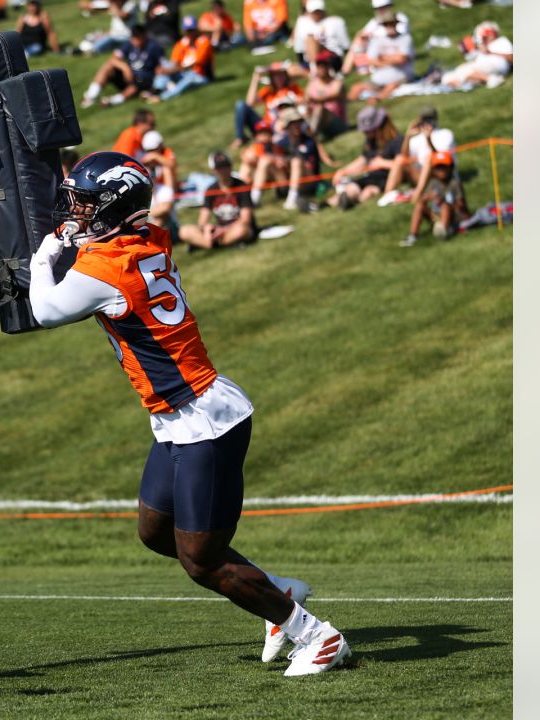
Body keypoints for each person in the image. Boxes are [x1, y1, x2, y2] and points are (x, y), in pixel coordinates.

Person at [29, 151, 350, 675]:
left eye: (87, 204)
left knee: (200, 559)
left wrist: (44, 255)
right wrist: (78, 236)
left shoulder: (105, 268)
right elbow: (104, 253)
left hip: (204, 417)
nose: (78, 213)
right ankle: (278, 592)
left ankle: (316, 636)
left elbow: (44, 309)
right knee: (157, 533)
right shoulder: (149, 239)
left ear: (114, 206)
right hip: (180, 416)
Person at [328, 105, 403, 209]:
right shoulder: (371, 141)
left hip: (385, 179)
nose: (365, 133)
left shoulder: (396, 141)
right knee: (351, 188)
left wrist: (383, 163)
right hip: (370, 177)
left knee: (368, 192)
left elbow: (403, 164)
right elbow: (363, 159)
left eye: (368, 130)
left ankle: (352, 202)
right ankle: (325, 204)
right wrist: (343, 171)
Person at [180, 150, 258, 249]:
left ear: (231, 166)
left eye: (226, 166)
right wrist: (207, 228)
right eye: (219, 168)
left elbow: (245, 219)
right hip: (219, 230)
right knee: (184, 231)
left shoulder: (241, 186)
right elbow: (202, 220)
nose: (224, 170)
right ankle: (215, 243)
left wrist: (223, 230)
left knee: (242, 230)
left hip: (237, 228)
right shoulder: (211, 189)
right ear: (214, 170)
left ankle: (208, 244)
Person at [81, 24, 164, 108]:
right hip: (128, 75)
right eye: (133, 38)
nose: (135, 41)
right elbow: (113, 59)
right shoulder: (129, 44)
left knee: (138, 84)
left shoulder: (154, 47)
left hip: (143, 79)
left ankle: (113, 101)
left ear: (144, 36)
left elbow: (161, 66)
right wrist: (125, 68)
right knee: (108, 67)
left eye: (138, 38)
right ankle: (91, 96)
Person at [383, 106, 455, 201]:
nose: (428, 122)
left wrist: (429, 140)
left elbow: (441, 159)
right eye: (425, 119)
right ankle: (387, 196)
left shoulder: (446, 134)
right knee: (399, 160)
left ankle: (417, 195)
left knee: (429, 158)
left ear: (435, 118)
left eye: (430, 118)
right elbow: (404, 157)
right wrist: (408, 137)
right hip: (422, 175)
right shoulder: (417, 138)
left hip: (442, 175)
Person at [401, 151, 468, 247]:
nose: (441, 170)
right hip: (437, 216)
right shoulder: (432, 183)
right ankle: (413, 235)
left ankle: (444, 232)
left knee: (445, 206)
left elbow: (461, 206)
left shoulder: (454, 183)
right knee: (419, 206)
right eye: (438, 167)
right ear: (433, 169)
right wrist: (425, 198)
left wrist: (442, 201)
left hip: (454, 217)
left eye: (444, 167)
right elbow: (425, 201)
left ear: (451, 167)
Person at [348, 9, 412, 100]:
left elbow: (402, 59)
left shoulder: (405, 38)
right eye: (387, 24)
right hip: (380, 76)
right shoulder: (378, 40)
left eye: (391, 23)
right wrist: (392, 59)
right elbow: (371, 61)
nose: (389, 26)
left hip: (400, 76)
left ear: (396, 24)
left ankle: (377, 102)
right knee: (355, 88)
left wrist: (382, 58)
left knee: (388, 88)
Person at [233, 62, 303, 147]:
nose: (279, 78)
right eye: (275, 75)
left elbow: (303, 101)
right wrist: (255, 79)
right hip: (266, 125)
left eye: (281, 74)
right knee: (240, 105)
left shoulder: (292, 89)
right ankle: (240, 138)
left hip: (284, 125)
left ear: (285, 75)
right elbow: (250, 103)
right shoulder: (268, 91)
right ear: (271, 77)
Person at [151, 16, 214, 102]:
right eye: (188, 31)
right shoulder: (182, 44)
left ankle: (163, 97)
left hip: (201, 76)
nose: (190, 33)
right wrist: (165, 70)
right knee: (165, 65)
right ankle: (156, 90)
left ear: (196, 30)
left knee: (190, 76)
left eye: (192, 30)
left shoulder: (204, 42)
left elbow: (194, 65)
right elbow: (174, 62)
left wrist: (170, 70)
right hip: (184, 73)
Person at [343, 0, 410, 75]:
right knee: (358, 40)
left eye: (382, 8)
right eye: (377, 9)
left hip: (389, 48)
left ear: (388, 6)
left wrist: (374, 36)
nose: (380, 11)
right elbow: (362, 34)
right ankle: (345, 71)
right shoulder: (375, 21)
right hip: (375, 48)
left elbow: (396, 35)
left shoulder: (399, 17)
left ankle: (349, 70)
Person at [442, 21, 512, 89]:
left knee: (462, 70)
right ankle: (465, 84)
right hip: (483, 67)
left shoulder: (501, 41)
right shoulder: (483, 47)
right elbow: (470, 57)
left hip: (496, 65)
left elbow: (512, 58)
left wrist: (490, 52)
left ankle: (490, 80)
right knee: (448, 76)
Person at [290, 0, 348, 69]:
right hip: (309, 60)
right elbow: (299, 49)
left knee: (310, 39)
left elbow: (346, 46)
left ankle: (315, 72)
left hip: (331, 57)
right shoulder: (302, 23)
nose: (316, 14)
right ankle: (314, 71)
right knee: (288, 69)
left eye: (318, 11)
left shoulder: (335, 22)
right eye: (314, 12)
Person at [139, 131, 178, 231]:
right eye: (148, 150)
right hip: (153, 189)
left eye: (153, 150)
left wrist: (157, 157)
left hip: (166, 187)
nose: (150, 152)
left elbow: (172, 165)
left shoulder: (165, 153)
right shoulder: (147, 159)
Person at [304, 53, 346, 138]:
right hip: (317, 120)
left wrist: (316, 100)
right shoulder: (313, 83)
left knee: (319, 108)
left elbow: (336, 95)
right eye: (319, 66)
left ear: (329, 67)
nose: (322, 69)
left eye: (324, 66)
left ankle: (311, 134)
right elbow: (306, 99)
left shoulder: (337, 83)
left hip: (336, 122)